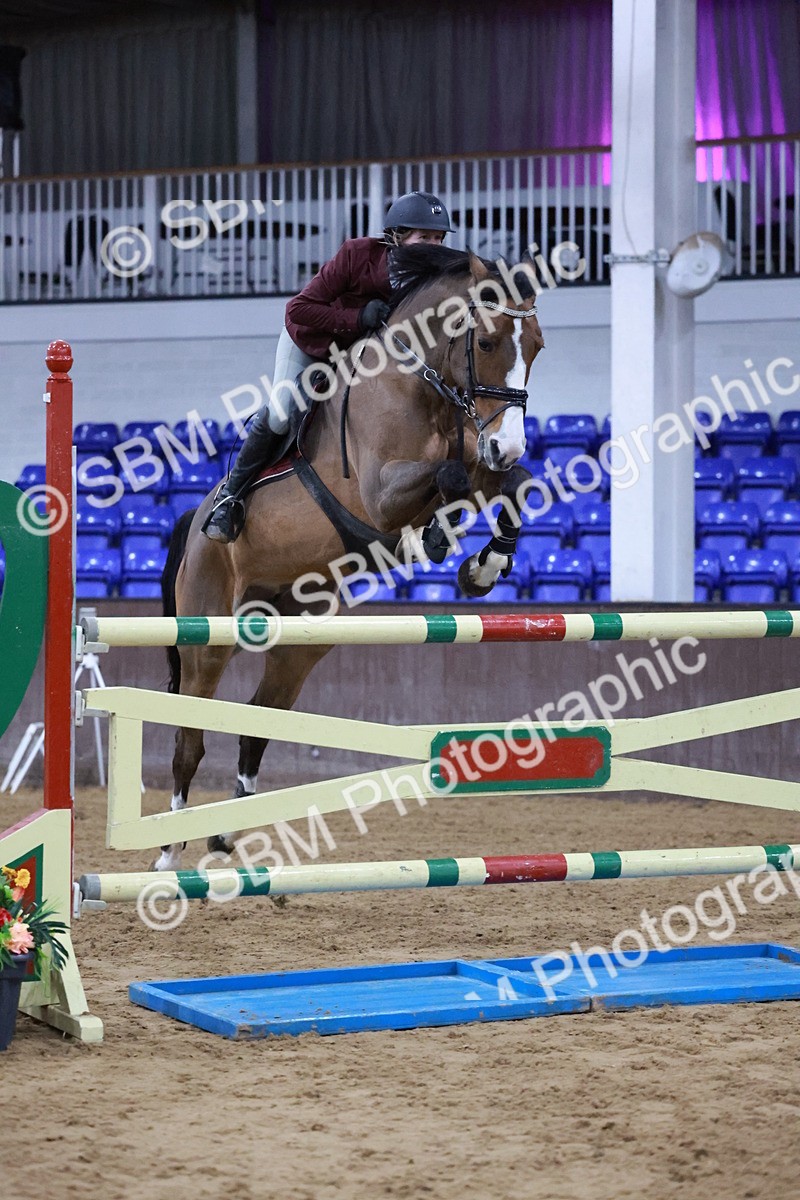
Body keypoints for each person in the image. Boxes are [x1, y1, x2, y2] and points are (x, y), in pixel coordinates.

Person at [202, 191, 455, 543]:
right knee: (281, 411)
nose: (433, 245)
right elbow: (299, 309)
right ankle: (230, 497)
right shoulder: (357, 255)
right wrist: (356, 317)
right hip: (312, 342)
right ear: (396, 236)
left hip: (361, 358)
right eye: (423, 237)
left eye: (438, 238)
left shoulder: (434, 278)